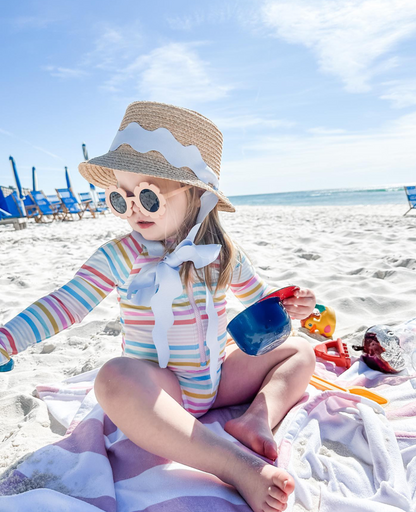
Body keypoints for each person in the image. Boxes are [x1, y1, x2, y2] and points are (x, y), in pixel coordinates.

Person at [0, 101, 316, 512]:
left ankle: (257, 416)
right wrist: (7, 340)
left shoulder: (221, 253)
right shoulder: (122, 254)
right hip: (162, 389)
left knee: (302, 351)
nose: (132, 209)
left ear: (197, 195)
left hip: (218, 379)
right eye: (119, 197)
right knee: (114, 378)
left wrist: (293, 304)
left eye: (147, 197)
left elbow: (261, 303)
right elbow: (66, 303)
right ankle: (234, 465)